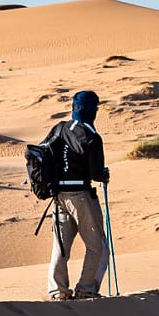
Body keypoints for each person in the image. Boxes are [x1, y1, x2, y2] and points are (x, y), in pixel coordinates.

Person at [43, 90, 110, 300]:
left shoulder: (59, 128)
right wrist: (104, 174)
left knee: (61, 246)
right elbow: (96, 173)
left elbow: (43, 154)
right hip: (80, 196)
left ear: (74, 107)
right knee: (97, 245)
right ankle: (86, 289)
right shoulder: (91, 136)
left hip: (58, 196)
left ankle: (58, 291)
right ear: (92, 109)